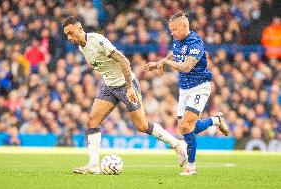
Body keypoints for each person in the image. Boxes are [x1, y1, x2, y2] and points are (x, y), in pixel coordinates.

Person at [62, 16, 187, 174]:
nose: (69, 37)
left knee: (141, 126)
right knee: (92, 121)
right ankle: (93, 165)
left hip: (126, 84)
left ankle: (177, 144)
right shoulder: (82, 48)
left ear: (80, 28)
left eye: (71, 33)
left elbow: (124, 61)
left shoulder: (97, 41)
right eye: (67, 35)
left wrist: (129, 88)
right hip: (109, 86)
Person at [145, 12, 229, 176]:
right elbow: (175, 55)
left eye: (174, 29)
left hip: (199, 87)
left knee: (185, 126)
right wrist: (160, 62)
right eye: (170, 30)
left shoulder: (195, 42)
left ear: (185, 26)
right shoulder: (178, 40)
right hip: (184, 89)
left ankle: (191, 167)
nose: (172, 33)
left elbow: (186, 66)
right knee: (186, 128)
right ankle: (215, 120)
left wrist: (167, 63)